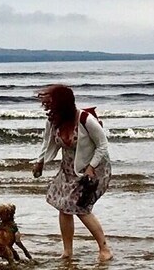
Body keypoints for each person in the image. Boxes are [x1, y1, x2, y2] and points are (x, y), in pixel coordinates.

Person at [29, 84, 113, 262]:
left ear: (64, 104)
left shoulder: (85, 119)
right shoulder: (54, 120)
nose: (49, 107)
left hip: (94, 169)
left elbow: (103, 146)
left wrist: (91, 167)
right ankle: (67, 251)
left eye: (52, 103)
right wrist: (40, 162)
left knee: (81, 208)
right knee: (63, 207)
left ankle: (105, 249)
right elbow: (46, 143)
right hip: (68, 169)